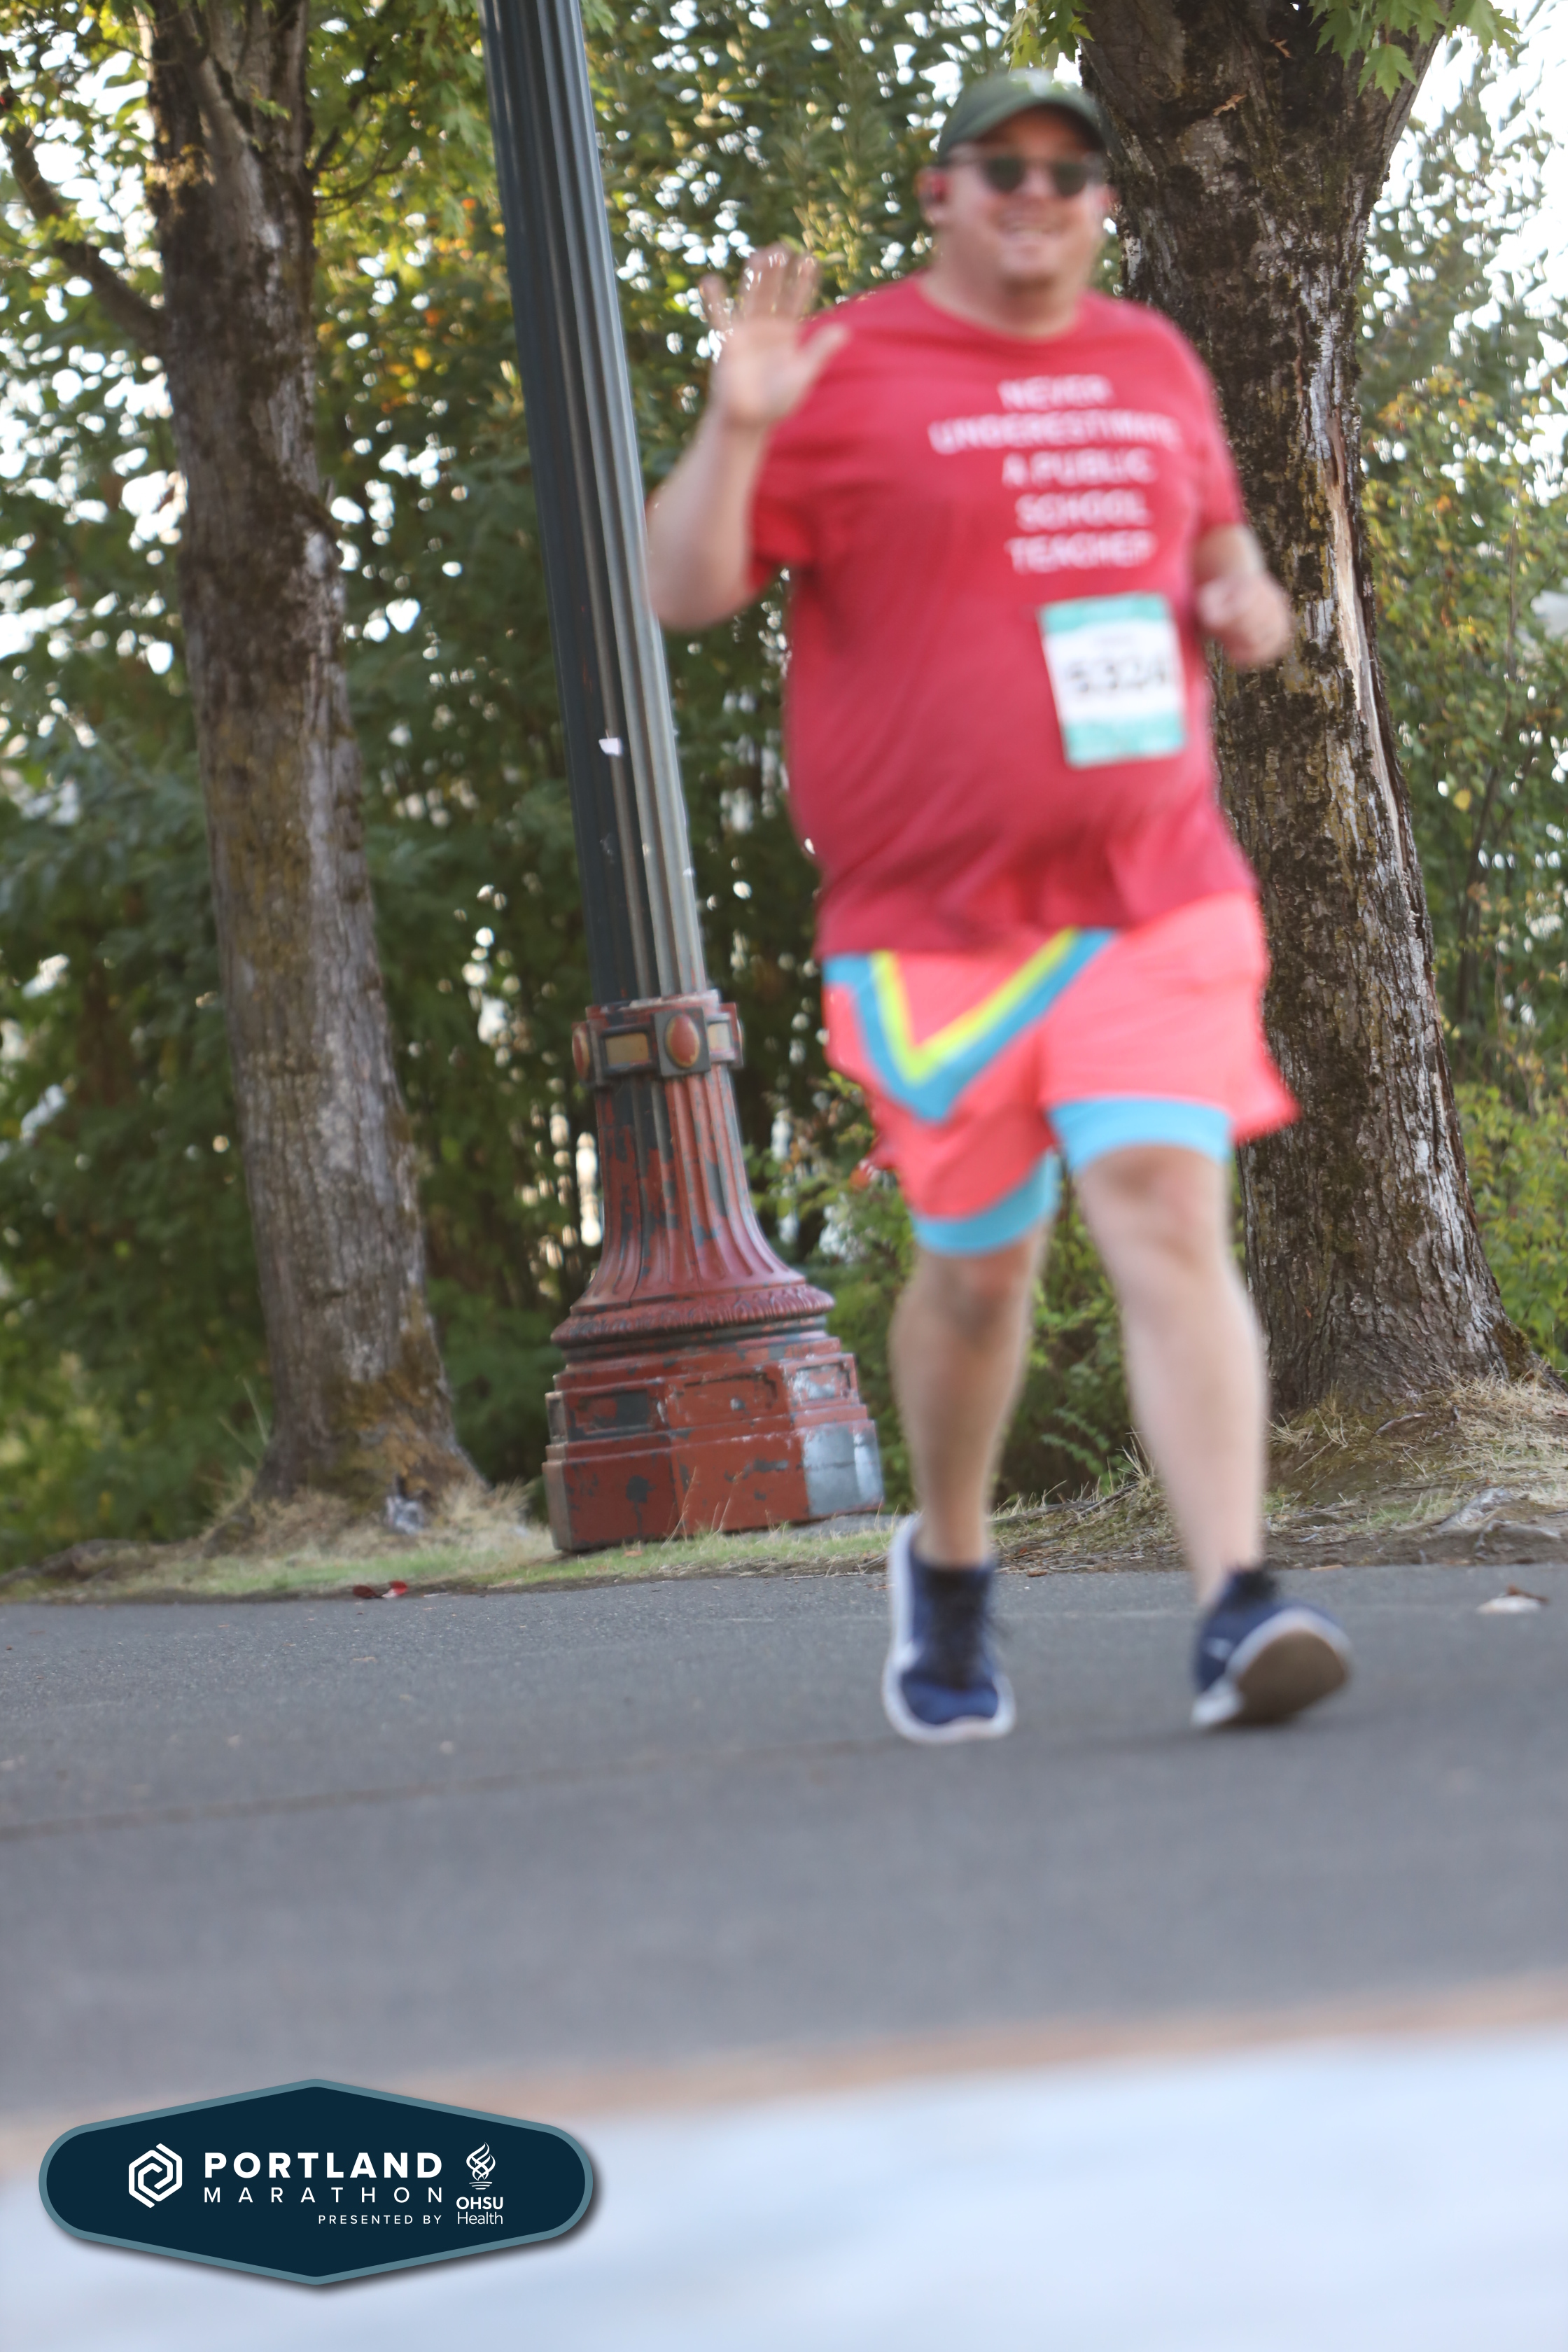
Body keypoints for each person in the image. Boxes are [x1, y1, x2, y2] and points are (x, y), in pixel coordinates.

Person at [645, 69, 1352, 1742]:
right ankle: (951, 1563)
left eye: (1069, 172)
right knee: (979, 1276)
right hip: (932, 933)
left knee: (1164, 1212)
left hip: (1151, 893)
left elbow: (1212, 544)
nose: (1039, 194)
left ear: (1100, 204)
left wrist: (1246, 594)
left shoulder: (1150, 362)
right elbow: (682, 589)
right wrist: (738, 423)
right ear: (942, 192)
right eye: (1004, 167)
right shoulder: (839, 369)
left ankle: (1235, 1603)